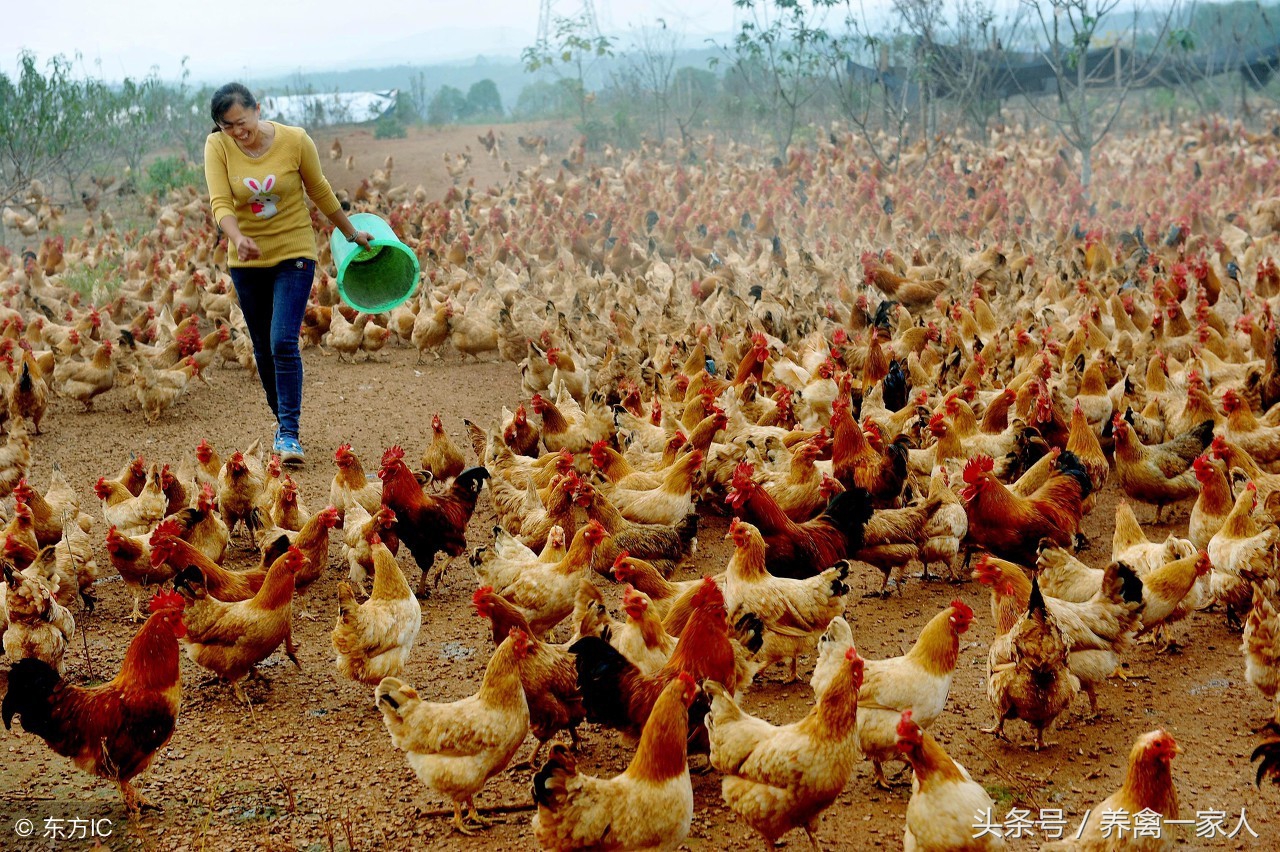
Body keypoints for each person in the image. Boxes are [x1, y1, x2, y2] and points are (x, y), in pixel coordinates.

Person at [203, 82, 370, 465]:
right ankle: (283, 422)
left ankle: (290, 433)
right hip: (246, 260)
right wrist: (237, 238)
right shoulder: (218, 146)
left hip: (294, 252)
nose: (237, 132)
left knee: (282, 340)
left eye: (241, 122)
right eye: (228, 126)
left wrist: (351, 232)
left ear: (258, 109)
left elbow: (319, 190)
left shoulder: (295, 141)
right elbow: (220, 202)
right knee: (262, 347)